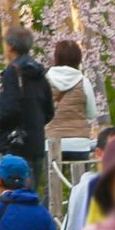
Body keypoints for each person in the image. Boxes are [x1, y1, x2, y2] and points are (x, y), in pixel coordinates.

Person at [0, 29, 58, 172]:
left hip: (15, 144)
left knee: (14, 190)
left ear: (10, 46)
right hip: (36, 143)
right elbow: (49, 111)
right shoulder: (39, 73)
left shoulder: (12, 72)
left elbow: (9, 107)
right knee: (31, 190)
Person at [47, 38, 97, 171]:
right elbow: (92, 113)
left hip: (52, 142)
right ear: (78, 59)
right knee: (82, 185)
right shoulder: (83, 82)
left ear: (56, 57)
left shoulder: (44, 81)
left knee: (52, 186)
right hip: (79, 142)